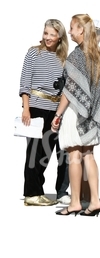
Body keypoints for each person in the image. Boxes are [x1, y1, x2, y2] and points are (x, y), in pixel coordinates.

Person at [52, 14, 100, 217]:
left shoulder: (75, 56)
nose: (70, 32)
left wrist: (57, 115)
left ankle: (75, 202)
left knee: (74, 156)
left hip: (75, 112)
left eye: (72, 28)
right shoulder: (98, 54)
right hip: (92, 113)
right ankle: (95, 200)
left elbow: (69, 90)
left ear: (81, 30)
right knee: (89, 156)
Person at [19, 19, 70, 206]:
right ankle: (31, 194)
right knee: (34, 151)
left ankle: (37, 191)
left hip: (54, 109)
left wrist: (59, 113)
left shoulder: (63, 57)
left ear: (59, 37)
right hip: (36, 106)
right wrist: (26, 108)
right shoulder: (33, 53)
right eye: (46, 33)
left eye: (52, 34)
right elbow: (24, 82)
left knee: (45, 153)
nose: (48, 37)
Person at [80, 18, 100, 202]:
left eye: (98, 33)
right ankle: (82, 196)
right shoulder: (78, 53)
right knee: (78, 155)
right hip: (78, 109)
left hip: (92, 111)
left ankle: (90, 198)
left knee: (87, 154)